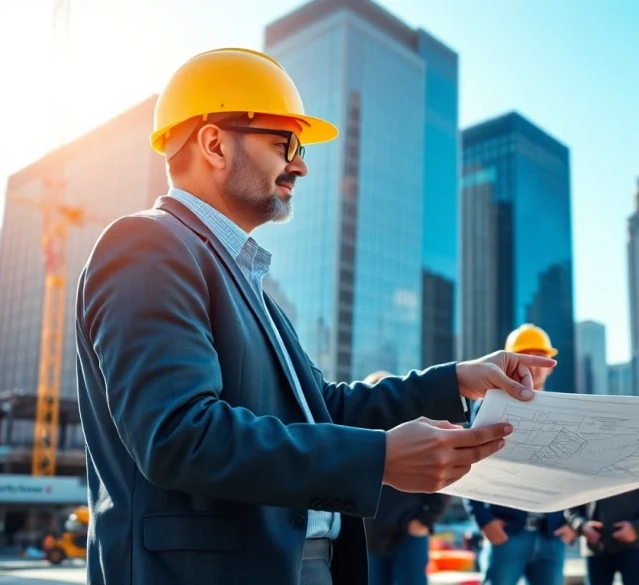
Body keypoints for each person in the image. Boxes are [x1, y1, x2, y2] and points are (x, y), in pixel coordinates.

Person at [73, 47, 555, 585]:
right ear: (213, 144)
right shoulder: (147, 246)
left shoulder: (252, 289)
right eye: (285, 144)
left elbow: (323, 407)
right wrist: (377, 459)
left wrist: (457, 379)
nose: (300, 164)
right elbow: (179, 435)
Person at [464, 324, 577, 585]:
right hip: (506, 533)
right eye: (526, 359)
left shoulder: (565, 411)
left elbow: (575, 469)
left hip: (552, 534)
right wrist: (484, 521)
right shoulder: (489, 406)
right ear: (508, 364)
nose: (534, 368)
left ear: (551, 364)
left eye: (541, 359)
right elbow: (469, 464)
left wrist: (574, 524)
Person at [362, 371, 452, 585]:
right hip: (368, 538)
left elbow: (444, 476)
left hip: (408, 533)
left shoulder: (415, 434)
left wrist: (424, 520)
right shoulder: (360, 438)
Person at [564, 483, 639, 585]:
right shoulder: (583, 464)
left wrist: (638, 526)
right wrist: (581, 525)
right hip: (595, 547)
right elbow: (569, 503)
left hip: (632, 545)